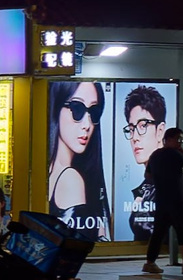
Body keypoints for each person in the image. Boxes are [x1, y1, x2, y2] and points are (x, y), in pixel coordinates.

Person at [47, 81, 108, 240]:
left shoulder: (52, 172)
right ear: (57, 108)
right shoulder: (70, 179)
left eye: (94, 112)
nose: (87, 125)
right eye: (77, 109)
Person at [142, 126, 183, 273]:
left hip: (161, 200)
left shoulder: (154, 155)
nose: (180, 143)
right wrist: (181, 151)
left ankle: (149, 262)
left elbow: (147, 175)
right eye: (179, 139)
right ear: (169, 139)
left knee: (158, 233)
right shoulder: (175, 154)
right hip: (177, 199)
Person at [120, 86, 170, 244]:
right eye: (131, 128)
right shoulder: (146, 186)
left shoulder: (166, 179)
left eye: (143, 126)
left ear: (160, 130)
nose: (134, 137)